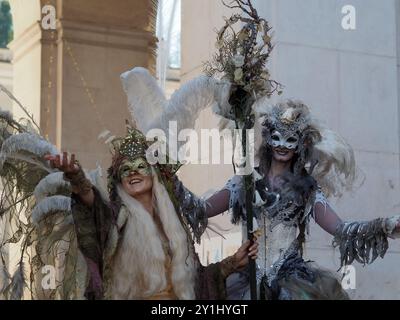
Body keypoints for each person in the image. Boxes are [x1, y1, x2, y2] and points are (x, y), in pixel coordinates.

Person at [174, 100, 400, 300]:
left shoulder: (308, 189)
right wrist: (169, 181)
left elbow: (340, 228)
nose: (282, 144)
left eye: (290, 139)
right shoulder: (243, 182)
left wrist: (382, 225)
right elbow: (202, 210)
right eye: (277, 137)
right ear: (268, 140)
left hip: (291, 282)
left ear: (300, 144)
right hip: (246, 280)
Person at [43, 127, 258, 300]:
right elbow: (94, 209)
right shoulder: (117, 219)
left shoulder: (174, 223)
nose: (133, 172)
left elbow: (197, 282)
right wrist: (76, 177)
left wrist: (231, 264)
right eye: (126, 169)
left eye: (140, 166)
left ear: (154, 173)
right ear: (119, 180)